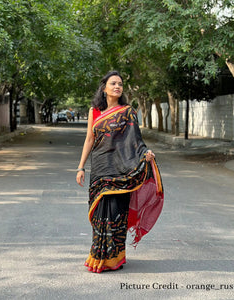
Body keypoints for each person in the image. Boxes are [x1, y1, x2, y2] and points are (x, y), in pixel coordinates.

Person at [76, 71, 164, 273]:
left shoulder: (127, 112)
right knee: (100, 214)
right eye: (113, 83)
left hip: (121, 170)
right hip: (100, 169)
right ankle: (98, 256)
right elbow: (89, 139)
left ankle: (115, 257)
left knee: (117, 213)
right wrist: (81, 167)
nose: (117, 87)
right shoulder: (94, 111)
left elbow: (135, 141)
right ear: (104, 87)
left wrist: (144, 154)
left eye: (120, 84)